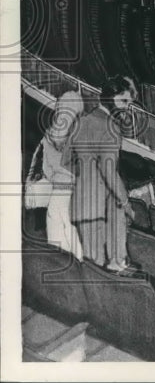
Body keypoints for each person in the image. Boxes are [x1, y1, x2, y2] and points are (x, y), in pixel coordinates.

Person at [68, 75, 137, 272]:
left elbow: (66, 162)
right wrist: (126, 204)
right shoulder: (111, 128)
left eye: (129, 103)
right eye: (123, 101)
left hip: (79, 204)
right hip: (97, 209)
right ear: (109, 98)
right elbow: (109, 172)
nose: (126, 107)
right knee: (97, 271)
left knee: (90, 266)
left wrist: (86, 178)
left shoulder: (81, 121)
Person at [38, 90, 85, 259]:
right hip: (72, 199)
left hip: (56, 196)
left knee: (56, 250)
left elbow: (46, 170)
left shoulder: (48, 136)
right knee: (76, 252)